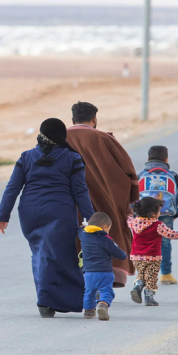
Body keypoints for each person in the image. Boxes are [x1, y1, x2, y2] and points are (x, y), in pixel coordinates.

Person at [0, 118, 95, 318]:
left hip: (30, 212)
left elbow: (13, 188)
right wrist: (91, 218)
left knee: (40, 253)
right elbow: (80, 190)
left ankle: (45, 301)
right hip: (60, 211)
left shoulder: (26, 157)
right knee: (60, 255)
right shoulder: (72, 158)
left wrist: (3, 214)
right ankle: (49, 300)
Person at [65, 101, 138, 288]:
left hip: (69, 199)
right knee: (108, 232)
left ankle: (76, 277)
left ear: (72, 119)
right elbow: (127, 171)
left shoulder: (61, 137)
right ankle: (108, 277)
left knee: (73, 237)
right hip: (104, 198)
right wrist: (128, 200)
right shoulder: (105, 139)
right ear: (94, 119)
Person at [127, 197, 178, 306]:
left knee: (142, 274)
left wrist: (127, 213)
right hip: (152, 257)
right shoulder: (158, 225)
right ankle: (149, 297)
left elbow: (128, 219)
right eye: (159, 211)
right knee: (151, 277)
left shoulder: (134, 222)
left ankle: (138, 285)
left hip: (136, 257)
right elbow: (172, 235)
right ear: (153, 213)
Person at [137, 145, 178, 285]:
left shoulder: (140, 175)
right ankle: (166, 274)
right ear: (166, 159)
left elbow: (132, 195)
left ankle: (142, 275)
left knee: (142, 241)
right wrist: (176, 212)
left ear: (148, 159)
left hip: (143, 214)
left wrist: (135, 212)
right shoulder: (173, 175)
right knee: (165, 242)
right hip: (165, 213)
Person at [78, 211, 128, 321]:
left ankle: (89, 312)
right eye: (108, 229)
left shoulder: (84, 236)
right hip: (104, 272)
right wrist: (124, 255)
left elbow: (80, 230)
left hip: (88, 273)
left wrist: (83, 227)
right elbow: (119, 253)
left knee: (89, 292)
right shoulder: (106, 239)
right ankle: (102, 304)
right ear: (105, 227)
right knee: (106, 291)